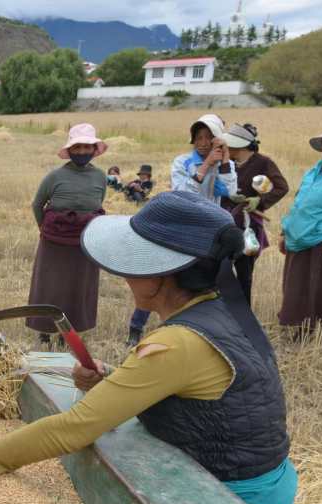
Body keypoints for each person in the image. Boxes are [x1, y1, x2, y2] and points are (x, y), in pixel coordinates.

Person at [0, 192, 303, 504]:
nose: (125, 276)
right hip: (271, 482)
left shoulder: (178, 343)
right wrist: (113, 379)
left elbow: (74, 429)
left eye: (135, 263)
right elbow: (192, 389)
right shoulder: (225, 309)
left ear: (163, 275)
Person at [130, 114, 239, 345]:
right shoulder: (182, 162)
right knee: (162, 278)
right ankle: (135, 328)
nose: (202, 142)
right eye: (198, 137)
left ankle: (198, 331)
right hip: (181, 227)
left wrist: (225, 160)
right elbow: (183, 192)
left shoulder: (225, 165)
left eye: (209, 137)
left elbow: (230, 190)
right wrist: (206, 164)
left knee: (203, 284)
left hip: (209, 230)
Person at [27, 123, 107, 349]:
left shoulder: (100, 177)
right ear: (70, 150)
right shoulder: (55, 177)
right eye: (77, 147)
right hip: (55, 242)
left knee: (79, 285)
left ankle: (68, 332)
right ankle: (45, 329)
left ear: (94, 149)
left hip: (85, 242)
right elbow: (37, 204)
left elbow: (97, 205)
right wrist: (46, 229)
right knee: (50, 285)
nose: (82, 152)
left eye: (87, 147)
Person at [278, 120, 322, 338]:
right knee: (297, 285)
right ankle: (299, 328)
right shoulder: (314, 170)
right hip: (300, 237)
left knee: (321, 288)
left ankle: (318, 334)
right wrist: (286, 231)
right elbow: (301, 202)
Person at [222, 123, 289, 305]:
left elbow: (282, 187)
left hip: (248, 225)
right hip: (223, 223)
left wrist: (259, 200)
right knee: (221, 270)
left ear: (241, 145)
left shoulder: (263, 162)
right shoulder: (226, 163)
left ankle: (244, 316)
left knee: (244, 273)